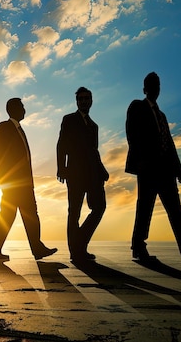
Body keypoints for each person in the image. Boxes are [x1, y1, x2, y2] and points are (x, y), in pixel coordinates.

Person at [125, 73, 181, 263]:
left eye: (157, 85)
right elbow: (132, 134)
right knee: (145, 208)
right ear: (145, 89)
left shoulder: (161, 115)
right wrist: (140, 161)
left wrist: (178, 168)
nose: (155, 88)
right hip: (148, 168)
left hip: (165, 169)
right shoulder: (137, 106)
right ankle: (138, 246)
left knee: (175, 209)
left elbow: (169, 142)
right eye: (151, 85)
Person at [0, 98, 57, 261]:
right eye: (22, 107)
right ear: (14, 109)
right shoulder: (4, 127)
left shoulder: (19, 129)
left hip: (21, 182)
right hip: (13, 182)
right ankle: (37, 248)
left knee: (9, 214)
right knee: (29, 213)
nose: (25, 109)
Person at [56, 87, 108, 262]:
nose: (84, 101)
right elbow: (61, 145)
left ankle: (80, 243)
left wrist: (102, 170)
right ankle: (76, 252)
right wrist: (61, 168)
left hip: (94, 175)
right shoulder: (69, 120)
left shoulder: (94, 126)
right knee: (74, 212)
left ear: (91, 101)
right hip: (75, 174)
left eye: (87, 98)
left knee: (99, 207)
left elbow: (94, 151)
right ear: (77, 102)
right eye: (81, 99)